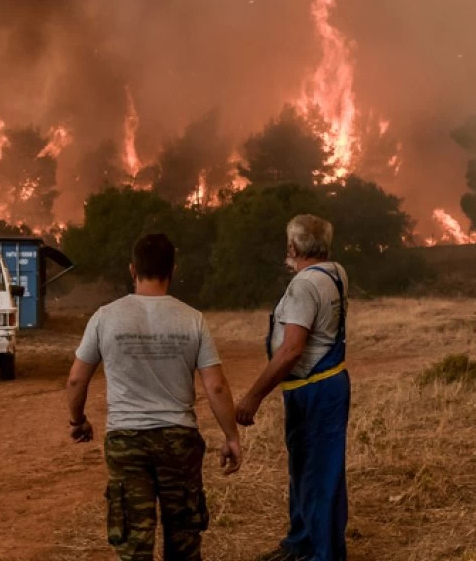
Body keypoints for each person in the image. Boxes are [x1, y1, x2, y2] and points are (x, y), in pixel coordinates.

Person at [65, 233, 243, 561]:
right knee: (184, 541)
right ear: (172, 271)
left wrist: (78, 421)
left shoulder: (106, 317)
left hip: (126, 442)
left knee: (134, 545)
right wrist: (231, 435)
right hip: (179, 440)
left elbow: (77, 379)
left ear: (133, 270)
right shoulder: (192, 319)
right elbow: (216, 387)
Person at [236, 214, 351, 561]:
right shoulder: (336, 272)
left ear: (293, 246)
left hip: (314, 388)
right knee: (307, 466)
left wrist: (253, 397)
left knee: (318, 473)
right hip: (327, 383)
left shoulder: (303, 286)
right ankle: (301, 541)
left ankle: (322, 554)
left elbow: (292, 349)